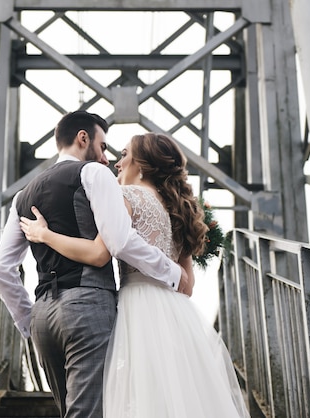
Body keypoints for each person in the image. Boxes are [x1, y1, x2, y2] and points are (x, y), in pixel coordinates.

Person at [20, 132, 250, 418]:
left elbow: (97, 253)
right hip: (177, 314)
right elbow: (187, 285)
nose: (117, 163)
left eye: (125, 155)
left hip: (134, 309)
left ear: (141, 164)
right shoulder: (180, 209)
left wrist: (45, 235)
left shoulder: (124, 198)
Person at [0, 112, 189, 418]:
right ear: (83, 138)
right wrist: (174, 273)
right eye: (104, 146)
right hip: (87, 307)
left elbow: (1, 270)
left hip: (43, 316)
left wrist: (27, 321)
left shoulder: (21, 197)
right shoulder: (94, 175)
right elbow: (119, 242)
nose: (107, 158)